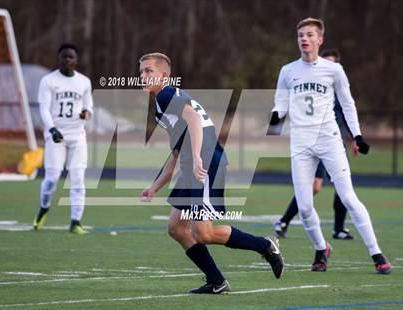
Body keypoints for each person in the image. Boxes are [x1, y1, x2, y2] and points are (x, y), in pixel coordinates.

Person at [138, 52, 284, 294]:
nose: (143, 76)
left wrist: (196, 157)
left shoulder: (166, 94)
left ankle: (265, 245)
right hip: (192, 167)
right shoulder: (161, 104)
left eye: (148, 71)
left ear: (164, 76)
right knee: (176, 227)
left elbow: (194, 119)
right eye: (141, 71)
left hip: (205, 165)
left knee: (202, 232)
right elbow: (175, 155)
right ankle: (217, 281)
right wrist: (154, 187)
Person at [269, 18, 392, 274]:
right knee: (304, 207)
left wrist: (357, 136)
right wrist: (275, 117)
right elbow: (280, 103)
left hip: (329, 140)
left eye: (310, 34)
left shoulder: (333, 70)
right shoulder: (288, 70)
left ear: (320, 40)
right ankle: (320, 250)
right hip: (301, 143)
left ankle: (376, 253)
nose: (304, 38)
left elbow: (347, 103)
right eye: (301, 34)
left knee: (348, 197)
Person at [274, 49, 358, 240]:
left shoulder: (336, 87)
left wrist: (354, 139)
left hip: (332, 141)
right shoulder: (303, 81)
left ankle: (338, 229)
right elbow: (284, 105)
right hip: (310, 140)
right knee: (314, 186)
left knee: (342, 188)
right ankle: (284, 221)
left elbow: (347, 114)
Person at [33, 43, 93, 235]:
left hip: (77, 136)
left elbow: (89, 108)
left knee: (77, 178)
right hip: (56, 135)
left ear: (76, 60)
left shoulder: (84, 81)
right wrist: (52, 129)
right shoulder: (49, 80)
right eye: (64, 56)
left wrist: (86, 114)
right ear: (59, 58)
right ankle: (43, 208)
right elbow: (43, 108)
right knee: (51, 179)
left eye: (71, 57)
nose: (68, 60)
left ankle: (76, 221)